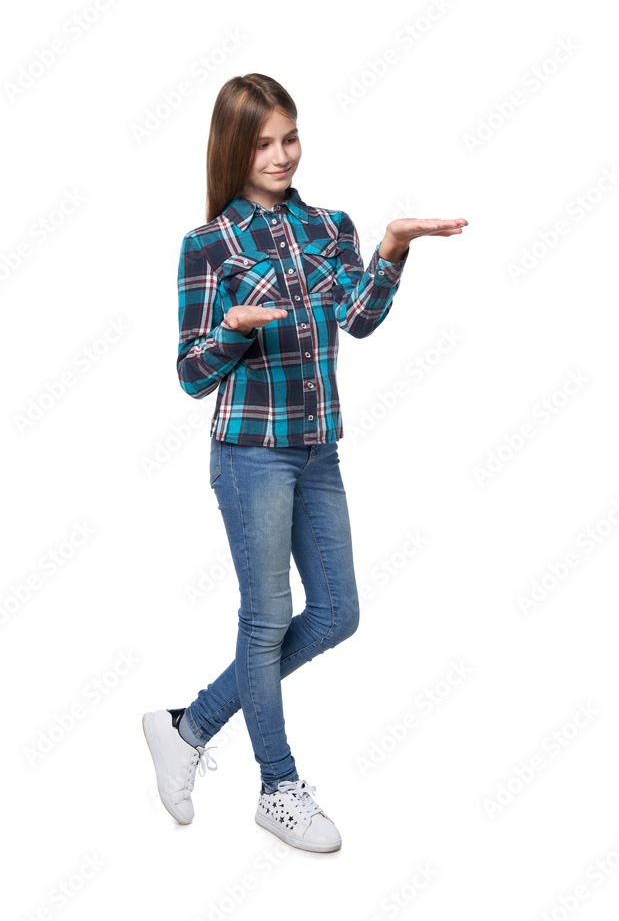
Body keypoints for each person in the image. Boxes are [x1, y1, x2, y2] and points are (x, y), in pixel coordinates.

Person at [143, 72, 467, 853]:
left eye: (289, 137)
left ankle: (186, 726)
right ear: (233, 147)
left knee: (335, 614)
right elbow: (191, 374)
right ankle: (277, 787)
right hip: (249, 452)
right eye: (262, 142)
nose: (281, 154)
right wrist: (234, 331)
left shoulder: (329, 225)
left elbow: (356, 320)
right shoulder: (208, 245)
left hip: (317, 448)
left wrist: (390, 247)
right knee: (264, 622)